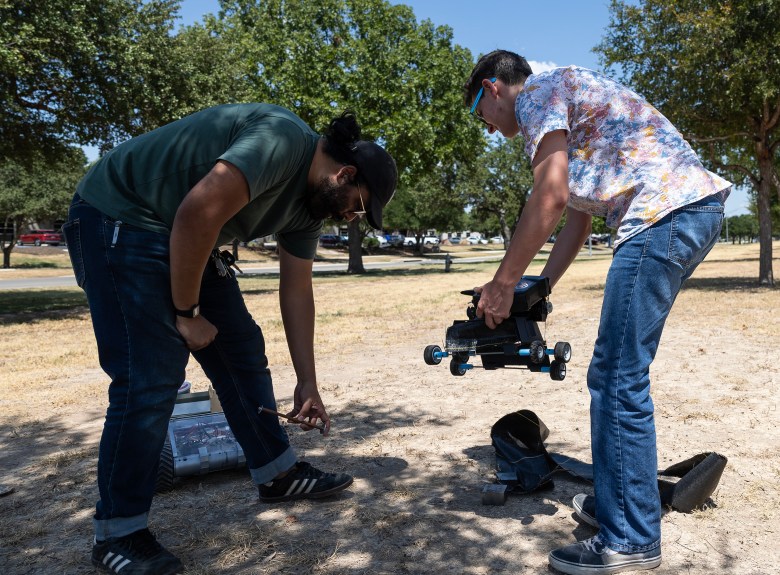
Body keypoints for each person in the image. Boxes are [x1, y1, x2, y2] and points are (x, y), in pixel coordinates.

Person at [63, 104, 397, 575]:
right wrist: (187, 314)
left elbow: (297, 290)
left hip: (185, 230)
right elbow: (198, 210)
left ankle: (277, 473)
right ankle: (118, 533)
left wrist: (308, 383)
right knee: (149, 379)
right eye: (359, 206)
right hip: (120, 215)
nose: (352, 219)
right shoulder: (281, 140)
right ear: (344, 174)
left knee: (241, 348)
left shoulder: (308, 208)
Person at [463, 50, 730, 574]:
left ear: (492, 89)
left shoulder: (537, 92)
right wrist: (538, 288)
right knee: (620, 374)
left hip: (662, 216)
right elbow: (577, 220)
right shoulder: (567, 101)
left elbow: (551, 196)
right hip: (686, 211)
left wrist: (502, 284)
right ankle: (621, 506)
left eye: (481, 116)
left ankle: (630, 539)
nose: (491, 132)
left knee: (616, 377)